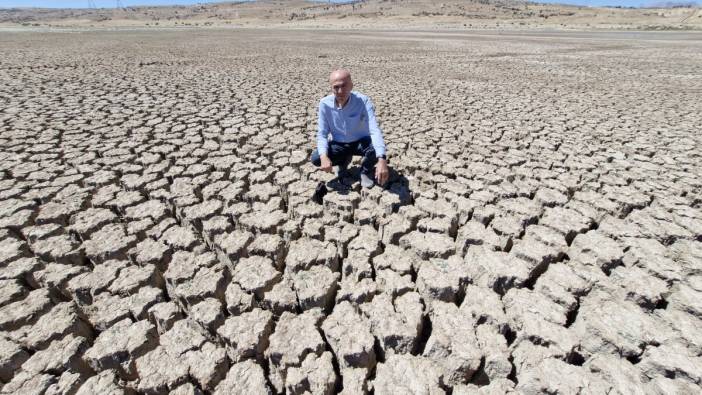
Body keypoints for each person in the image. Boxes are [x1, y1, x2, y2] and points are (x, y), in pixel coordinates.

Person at [311, 69, 389, 188]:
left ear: (351, 86)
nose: (340, 91)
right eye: (336, 87)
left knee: (377, 148)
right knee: (316, 158)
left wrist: (382, 159)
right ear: (331, 88)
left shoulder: (363, 101)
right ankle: (342, 163)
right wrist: (324, 157)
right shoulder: (324, 104)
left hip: (360, 142)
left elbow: (374, 129)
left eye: (344, 85)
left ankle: (365, 171)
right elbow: (322, 134)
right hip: (339, 144)